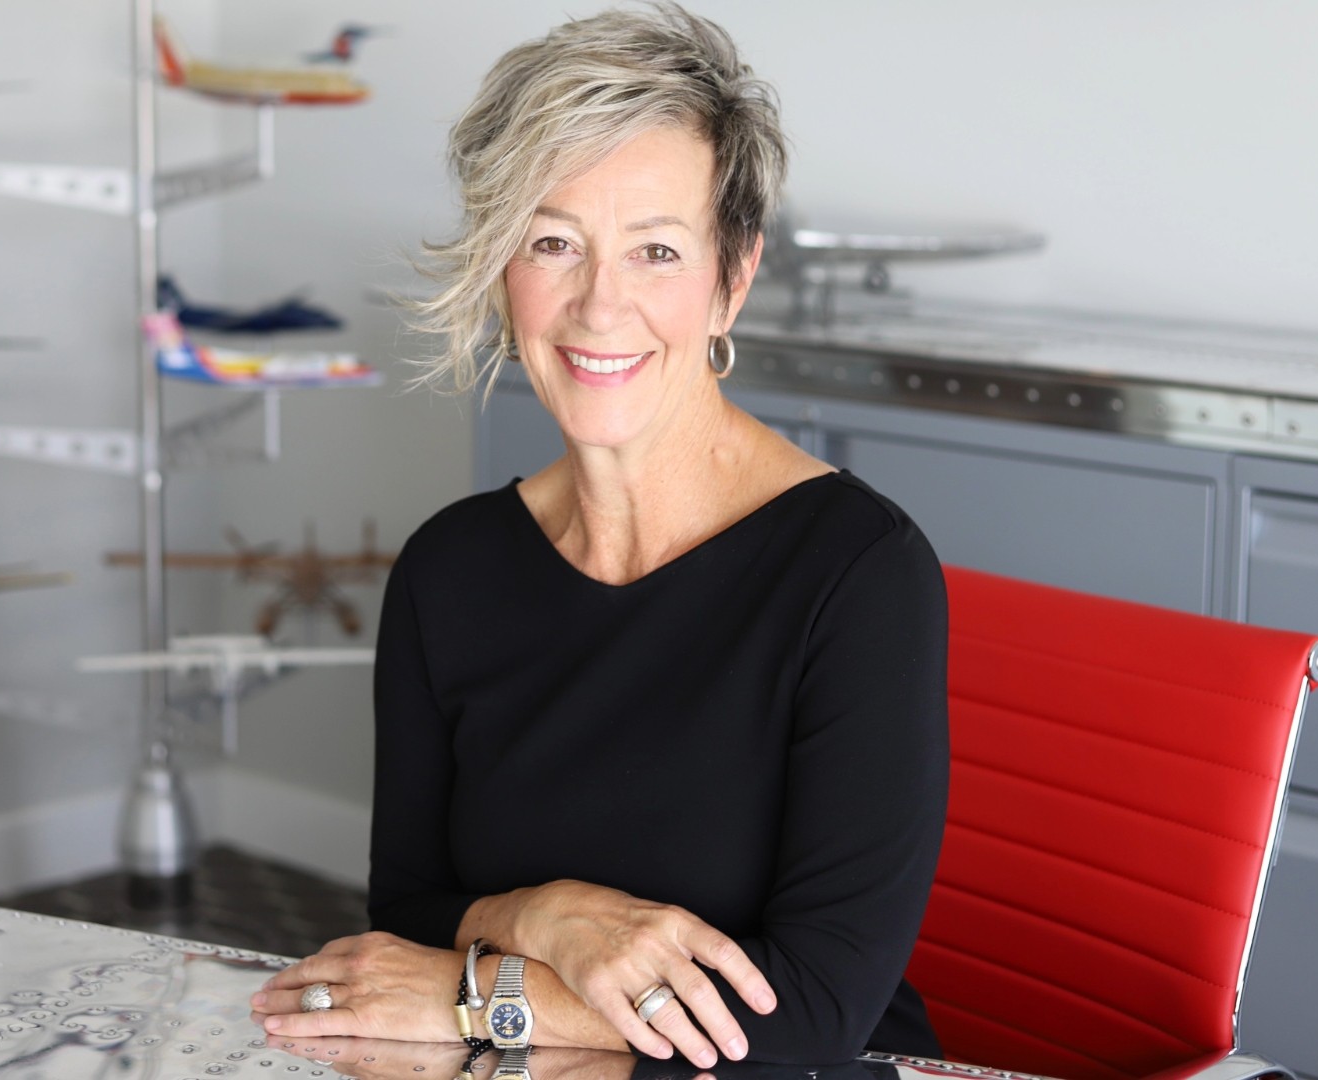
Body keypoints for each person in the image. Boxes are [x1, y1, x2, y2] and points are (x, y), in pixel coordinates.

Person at [250, 4, 948, 1068]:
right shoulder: (450, 568)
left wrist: (474, 999)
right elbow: (415, 907)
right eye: (553, 242)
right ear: (501, 268)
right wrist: (550, 915)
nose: (597, 304)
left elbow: (812, 1016)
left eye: (656, 250)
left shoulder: (857, 573)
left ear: (733, 278)